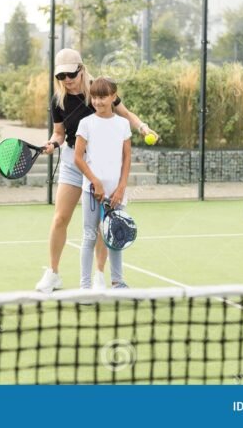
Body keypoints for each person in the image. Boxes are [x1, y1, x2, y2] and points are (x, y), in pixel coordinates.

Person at [35, 48, 157, 292]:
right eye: (61, 76)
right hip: (73, 160)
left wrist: (143, 127)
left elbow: (125, 115)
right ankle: (53, 273)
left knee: (105, 222)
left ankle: (100, 275)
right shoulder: (58, 100)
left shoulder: (99, 90)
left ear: (81, 69)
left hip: (103, 163)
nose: (67, 80)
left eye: (71, 74)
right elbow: (59, 134)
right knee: (60, 217)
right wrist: (51, 144)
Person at [73, 76, 131, 290]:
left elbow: (127, 158)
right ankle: (85, 286)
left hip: (116, 193)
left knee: (116, 237)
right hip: (91, 192)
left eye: (103, 97)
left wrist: (121, 187)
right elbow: (78, 157)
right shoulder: (86, 123)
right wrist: (95, 182)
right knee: (89, 237)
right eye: (95, 97)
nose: (98, 102)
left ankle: (118, 282)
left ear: (113, 97)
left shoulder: (123, 124)